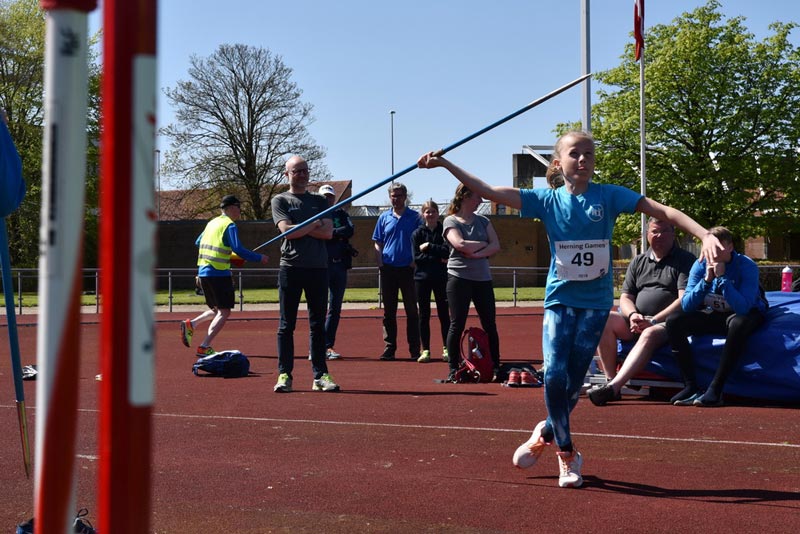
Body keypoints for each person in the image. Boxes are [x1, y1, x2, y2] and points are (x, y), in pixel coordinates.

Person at [417, 130, 722, 489]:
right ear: (558, 163)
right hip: (560, 300)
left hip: (594, 305)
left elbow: (662, 210)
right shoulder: (546, 201)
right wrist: (445, 163)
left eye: (590, 154)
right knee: (556, 375)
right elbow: (486, 191)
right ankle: (567, 452)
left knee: (574, 382)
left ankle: (545, 429)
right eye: (575, 154)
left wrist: (705, 234)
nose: (584, 160)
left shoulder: (608, 196)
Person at [587, 217, 696, 406]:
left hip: (667, 323)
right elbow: (626, 297)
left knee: (649, 334)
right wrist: (632, 315)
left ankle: (613, 387)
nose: (659, 236)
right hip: (638, 319)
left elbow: (683, 299)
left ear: (673, 235)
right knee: (602, 319)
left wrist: (653, 320)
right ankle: (610, 381)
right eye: (654, 231)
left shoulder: (685, 260)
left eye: (664, 231)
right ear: (647, 235)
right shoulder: (638, 261)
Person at [666, 226, 768, 407]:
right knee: (674, 321)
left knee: (738, 323)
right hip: (717, 314)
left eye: (718, 247)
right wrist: (707, 281)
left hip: (745, 314)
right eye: (709, 247)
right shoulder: (700, 264)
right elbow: (687, 305)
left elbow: (743, 307)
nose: (712, 252)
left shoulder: (746, 266)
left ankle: (716, 389)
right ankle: (690, 386)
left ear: (730, 247)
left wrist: (722, 279)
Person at [271, 155, 340, 393]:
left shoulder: (320, 201)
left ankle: (320, 375)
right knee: (286, 325)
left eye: (304, 171)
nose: (302, 175)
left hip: (318, 269)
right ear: (286, 174)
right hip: (290, 268)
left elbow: (329, 233)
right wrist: (313, 225)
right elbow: (287, 232)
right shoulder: (280, 200)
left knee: (317, 324)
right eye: (296, 171)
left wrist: (302, 227)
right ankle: (284, 375)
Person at [180, 194, 269, 357]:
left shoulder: (211, 223)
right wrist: (259, 258)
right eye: (238, 207)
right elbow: (239, 249)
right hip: (219, 273)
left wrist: (228, 254)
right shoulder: (230, 225)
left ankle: (191, 324)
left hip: (204, 272)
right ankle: (204, 346)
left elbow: (198, 242)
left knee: (217, 310)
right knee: (225, 312)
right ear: (230, 208)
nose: (240, 211)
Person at [441, 185, 502, 380]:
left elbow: (496, 246)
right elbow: (459, 244)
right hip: (459, 278)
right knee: (456, 324)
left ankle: (495, 366)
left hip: (482, 278)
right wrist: (483, 246)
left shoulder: (484, 221)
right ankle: (453, 367)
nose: (481, 201)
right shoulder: (450, 220)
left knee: (489, 324)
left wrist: (475, 253)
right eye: (478, 197)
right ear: (466, 196)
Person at [372, 182, 421, 361]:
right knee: (389, 312)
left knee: (412, 311)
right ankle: (390, 348)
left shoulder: (415, 217)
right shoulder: (384, 218)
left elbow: (421, 240)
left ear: (405, 196)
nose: (396, 198)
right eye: (393, 195)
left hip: (408, 269)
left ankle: (415, 349)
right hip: (389, 269)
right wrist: (380, 261)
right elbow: (378, 241)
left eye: (399, 195)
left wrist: (415, 261)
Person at [412, 200, 451, 363]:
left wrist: (428, 247)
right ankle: (426, 349)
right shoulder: (417, 234)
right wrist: (438, 256)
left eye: (433, 211)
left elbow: (447, 252)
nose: (430, 214)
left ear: (437, 213)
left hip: (441, 278)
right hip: (422, 279)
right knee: (424, 315)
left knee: (444, 314)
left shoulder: (445, 231)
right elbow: (417, 258)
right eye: (427, 212)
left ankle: (447, 348)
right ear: (423, 215)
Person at [319, 183, 355, 360]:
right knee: (318, 308)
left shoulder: (341, 214)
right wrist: (335, 234)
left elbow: (349, 230)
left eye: (330, 196)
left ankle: (328, 345)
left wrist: (330, 233)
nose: (328, 199)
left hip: (339, 265)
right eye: (325, 196)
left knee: (335, 308)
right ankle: (317, 347)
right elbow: (317, 233)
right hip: (321, 266)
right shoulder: (315, 215)